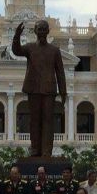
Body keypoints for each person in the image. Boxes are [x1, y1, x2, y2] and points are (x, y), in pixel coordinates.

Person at [12, 19, 67, 158]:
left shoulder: (54, 50)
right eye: (39, 29)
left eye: (44, 29)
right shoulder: (30, 48)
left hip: (49, 90)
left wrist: (63, 91)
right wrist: (17, 35)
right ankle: (35, 149)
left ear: (48, 31)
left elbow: (60, 72)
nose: (42, 32)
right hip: (34, 88)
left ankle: (47, 151)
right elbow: (16, 50)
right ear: (35, 31)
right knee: (34, 120)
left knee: (48, 121)